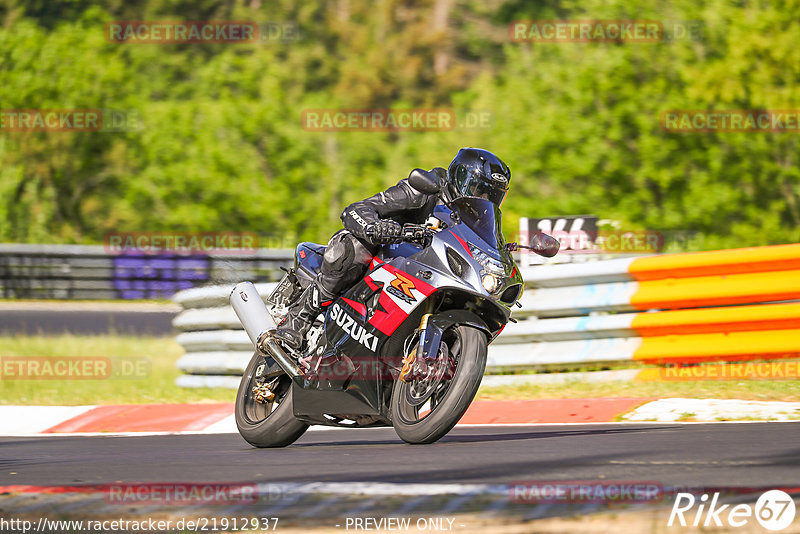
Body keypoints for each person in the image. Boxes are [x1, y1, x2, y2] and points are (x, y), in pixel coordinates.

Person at [273, 147, 512, 351]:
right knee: (354, 247)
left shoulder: (476, 226)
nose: (482, 198)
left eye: (491, 195)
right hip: (388, 257)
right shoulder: (426, 189)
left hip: (427, 278)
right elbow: (357, 209)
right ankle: (297, 321)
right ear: (460, 178)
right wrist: (377, 228)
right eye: (479, 189)